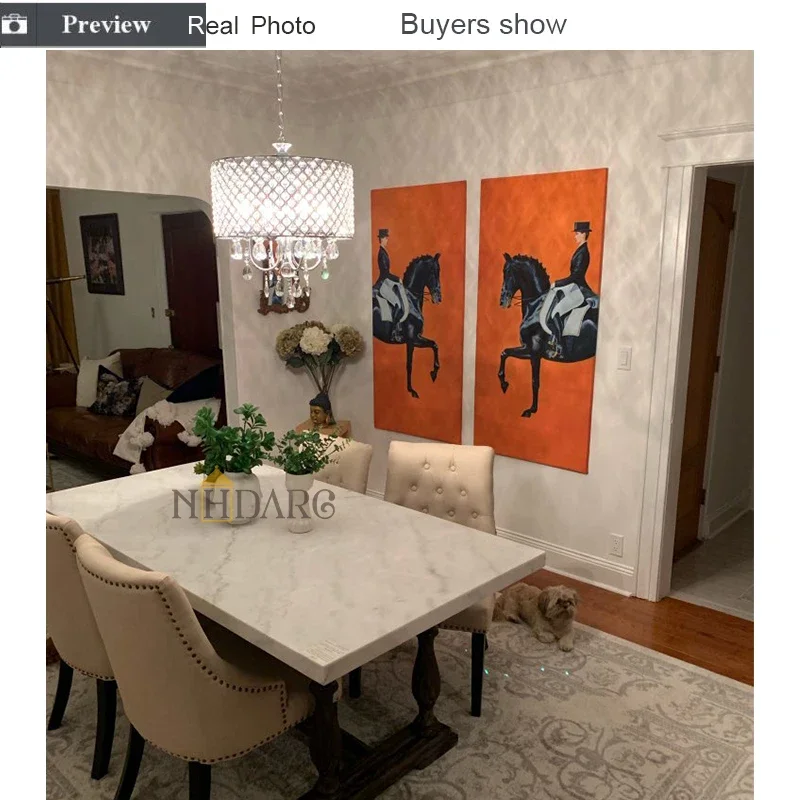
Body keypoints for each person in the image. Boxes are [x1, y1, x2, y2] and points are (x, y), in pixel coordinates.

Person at [541, 222, 597, 348]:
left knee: (556, 312)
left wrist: (557, 283)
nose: (575, 236)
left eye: (577, 234)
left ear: (584, 234)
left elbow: (576, 276)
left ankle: (558, 344)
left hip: (579, 289)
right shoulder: (580, 250)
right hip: (574, 286)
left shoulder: (583, 252)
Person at [373, 228, 410, 339]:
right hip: (383, 283)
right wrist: (397, 279)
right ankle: (395, 330)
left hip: (386, 281)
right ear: (381, 239)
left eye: (387, 238)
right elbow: (385, 273)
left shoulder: (384, 251)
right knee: (397, 303)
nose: (387, 240)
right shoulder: (381, 253)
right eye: (385, 238)